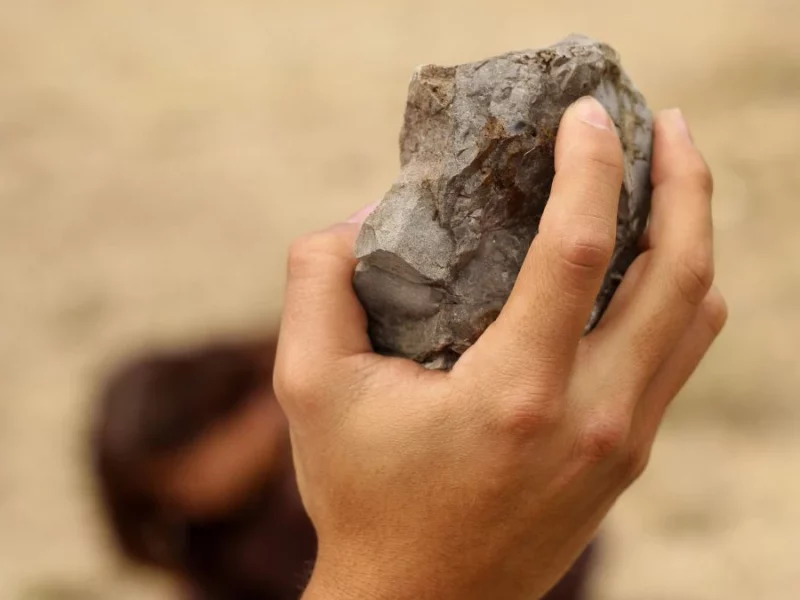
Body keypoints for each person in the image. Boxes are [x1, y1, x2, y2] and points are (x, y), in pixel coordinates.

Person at [93, 96, 724, 599]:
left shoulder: (353, 371)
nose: (205, 477)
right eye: (167, 488)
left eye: (193, 452)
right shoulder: (214, 551)